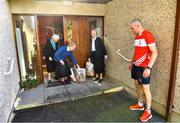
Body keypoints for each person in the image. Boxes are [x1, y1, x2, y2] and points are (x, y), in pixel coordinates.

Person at [129, 19, 158, 122]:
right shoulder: (137, 37)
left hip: (144, 67)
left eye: (132, 28)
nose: (131, 30)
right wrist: (131, 63)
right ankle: (140, 104)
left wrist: (149, 68)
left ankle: (148, 111)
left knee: (146, 88)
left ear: (138, 26)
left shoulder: (148, 35)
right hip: (136, 66)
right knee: (137, 85)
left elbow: (155, 52)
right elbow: (136, 51)